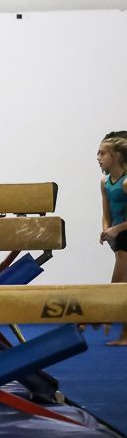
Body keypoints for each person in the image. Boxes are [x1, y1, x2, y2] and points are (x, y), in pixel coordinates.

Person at [98, 133, 127, 345]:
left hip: (125, 233)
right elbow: (106, 211)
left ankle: (106, 314)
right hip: (118, 234)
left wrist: (116, 230)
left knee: (119, 281)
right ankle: (124, 335)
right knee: (123, 284)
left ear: (116, 155)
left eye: (102, 153)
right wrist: (106, 229)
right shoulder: (105, 182)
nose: (98, 157)